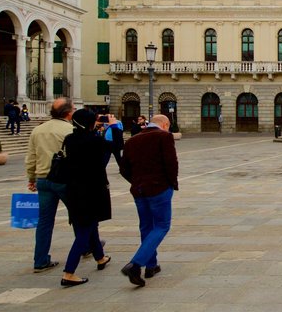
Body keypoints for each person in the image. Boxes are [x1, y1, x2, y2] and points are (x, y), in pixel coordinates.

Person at [119, 114, 179, 287]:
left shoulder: (132, 140)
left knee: (146, 226)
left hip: (139, 190)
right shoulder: (164, 136)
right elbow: (171, 162)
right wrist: (171, 183)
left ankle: (151, 265)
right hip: (159, 188)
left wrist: (135, 181)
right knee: (161, 226)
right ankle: (136, 264)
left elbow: (123, 168)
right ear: (165, 124)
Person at [59, 109, 112, 287]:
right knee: (83, 232)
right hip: (91, 190)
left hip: (73, 190)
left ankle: (100, 258)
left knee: (90, 225)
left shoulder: (69, 140)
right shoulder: (95, 141)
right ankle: (69, 272)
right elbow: (111, 152)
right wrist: (114, 128)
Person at [25, 97, 76, 273]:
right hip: (65, 180)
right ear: (69, 113)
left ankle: (40, 260)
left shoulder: (37, 130)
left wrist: (31, 178)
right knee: (79, 216)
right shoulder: (71, 130)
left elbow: (31, 157)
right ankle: (86, 246)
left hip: (43, 179)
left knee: (45, 221)